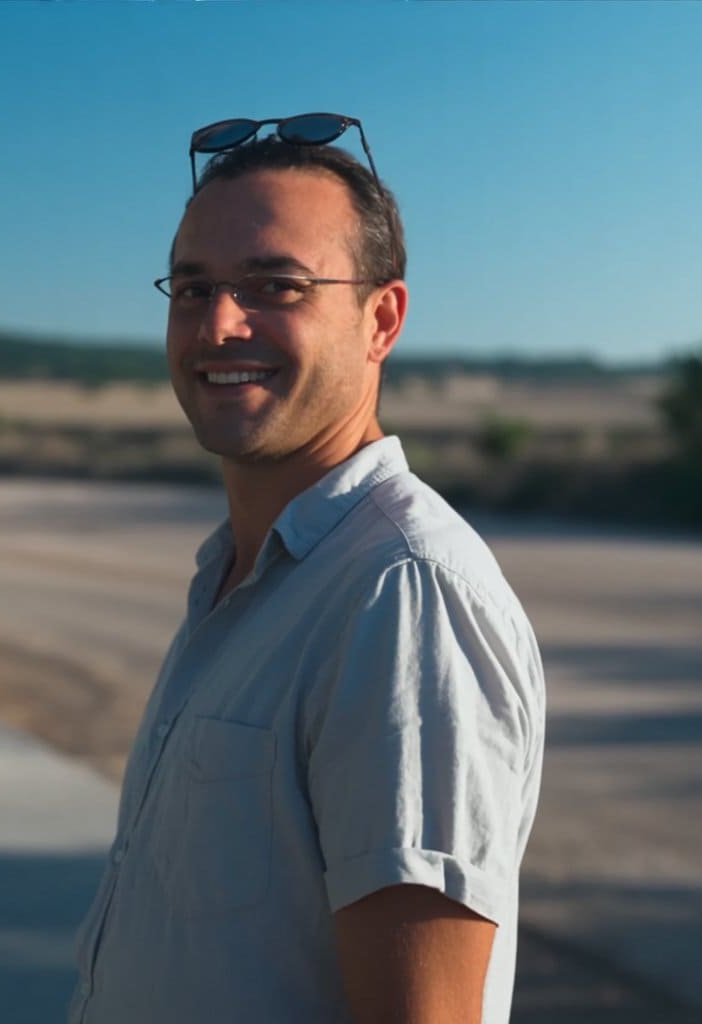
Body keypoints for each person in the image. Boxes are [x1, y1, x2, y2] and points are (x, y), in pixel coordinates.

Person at [69, 114, 545, 1024]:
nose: (218, 324)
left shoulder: (401, 596)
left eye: (275, 285)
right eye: (193, 286)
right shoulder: (244, 577)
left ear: (382, 320)